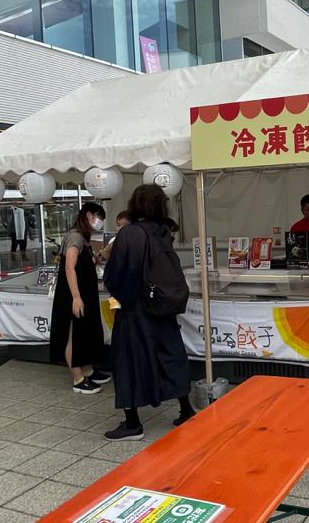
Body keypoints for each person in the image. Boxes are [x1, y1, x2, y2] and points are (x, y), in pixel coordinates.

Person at [103, 184, 195, 441]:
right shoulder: (164, 231)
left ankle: (132, 423)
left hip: (136, 311)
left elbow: (119, 275)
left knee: (127, 362)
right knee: (171, 355)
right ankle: (186, 409)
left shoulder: (130, 233)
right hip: (164, 307)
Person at [50, 202, 111, 394]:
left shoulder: (83, 238)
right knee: (72, 335)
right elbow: (69, 267)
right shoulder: (75, 237)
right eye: (99, 217)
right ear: (89, 215)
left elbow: (82, 265)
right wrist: (76, 297)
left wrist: (97, 258)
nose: (99, 222)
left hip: (85, 293)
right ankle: (78, 379)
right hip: (72, 295)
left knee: (84, 333)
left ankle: (88, 371)